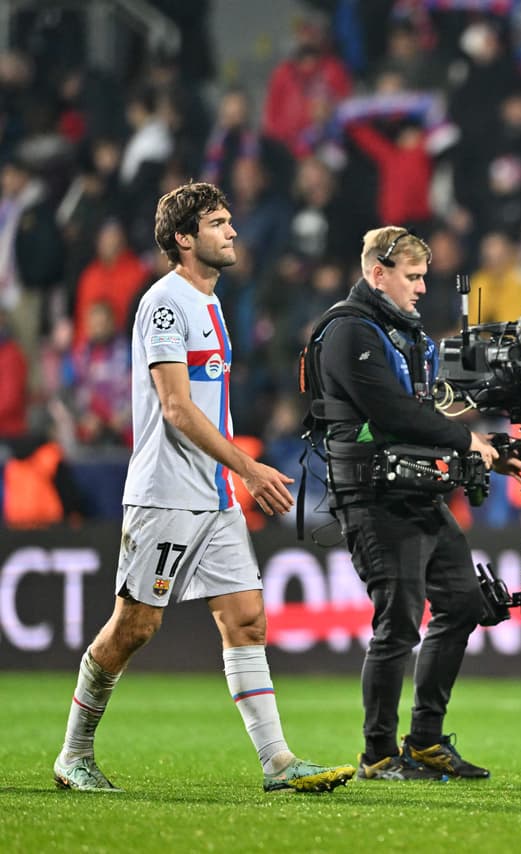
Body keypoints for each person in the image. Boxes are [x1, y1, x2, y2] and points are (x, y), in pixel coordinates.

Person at [52, 181, 354, 793]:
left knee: (246, 620)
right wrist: (248, 466)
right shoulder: (165, 303)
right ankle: (73, 754)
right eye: (218, 223)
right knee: (134, 627)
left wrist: (231, 478)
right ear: (184, 239)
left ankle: (277, 763)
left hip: (214, 496)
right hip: (166, 493)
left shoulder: (209, 301)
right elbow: (176, 409)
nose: (233, 232)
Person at [306, 226, 521, 782]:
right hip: (374, 495)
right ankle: (377, 754)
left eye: (425, 276)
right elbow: (395, 412)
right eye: (413, 276)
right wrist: (467, 440)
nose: (423, 288)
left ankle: (425, 739)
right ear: (377, 274)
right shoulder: (348, 331)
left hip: (417, 491)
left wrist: (486, 444)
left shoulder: (403, 334)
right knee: (398, 624)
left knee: (464, 604)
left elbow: (427, 409)